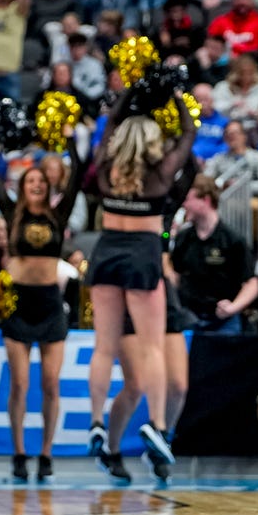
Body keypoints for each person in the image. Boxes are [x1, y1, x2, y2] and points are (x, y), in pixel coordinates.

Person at [85, 82, 196, 477]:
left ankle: (97, 421)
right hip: (143, 253)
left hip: (106, 249)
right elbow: (189, 135)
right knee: (153, 348)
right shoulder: (161, 172)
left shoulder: (107, 166)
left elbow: (108, 128)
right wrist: (178, 96)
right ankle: (158, 425)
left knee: (103, 346)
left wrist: (126, 99)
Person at [0, 131, 85, 482]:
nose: (36, 185)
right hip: (18, 302)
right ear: (22, 185)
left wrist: (70, 140)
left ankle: (45, 453)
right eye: (30, 180)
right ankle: (18, 452)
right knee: (19, 384)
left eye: (41, 180)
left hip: (49, 303)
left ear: (47, 184)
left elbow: (76, 181)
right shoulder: (13, 213)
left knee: (51, 383)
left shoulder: (58, 216)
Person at [111, 152, 199, 483]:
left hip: (161, 291)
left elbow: (189, 169)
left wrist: (173, 125)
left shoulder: (162, 199)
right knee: (136, 385)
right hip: (126, 288)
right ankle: (112, 448)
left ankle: (161, 438)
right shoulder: (114, 199)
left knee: (178, 384)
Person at [171, 175, 258, 336]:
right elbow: (174, 274)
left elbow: (251, 283)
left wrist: (233, 307)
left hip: (223, 321)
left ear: (205, 200)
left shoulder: (232, 239)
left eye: (188, 199)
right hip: (189, 318)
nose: (184, 205)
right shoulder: (183, 238)